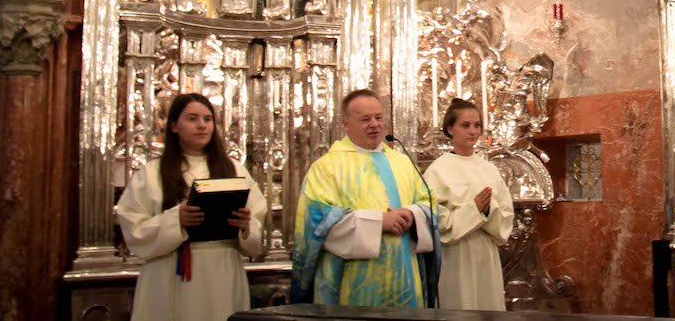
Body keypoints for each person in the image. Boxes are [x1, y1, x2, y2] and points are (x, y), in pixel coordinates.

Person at [116, 93, 267, 321]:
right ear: (174, 126)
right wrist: (175, 220)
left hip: (221, 273)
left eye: (208, 119)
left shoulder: (234, 170)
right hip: (170, 272)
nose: (202, 126)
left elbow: (257, 225)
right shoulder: (151, 174)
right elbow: (133, 229)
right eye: (192, 119)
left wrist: (246, 226)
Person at [291, 88, 439, 308]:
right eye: (365, 119)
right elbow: (317, 222)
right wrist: (379, 222)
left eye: (378, 118)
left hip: (405, 279)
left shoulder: (402, 162)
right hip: (354, 284)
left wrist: (412, 214)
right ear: (345, 124)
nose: (375, 124)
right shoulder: (327, 167)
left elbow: (429, 203)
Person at [423, 98, 514, 310]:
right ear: (450, 129)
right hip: (456, 256)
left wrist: (489, 210)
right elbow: (436, 221)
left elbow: (506, 216)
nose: (473, 131)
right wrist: (473, 211)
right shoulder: (438, 170)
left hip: (485, 253)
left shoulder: (489, 169)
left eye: (477, 125)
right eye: (465, 125)